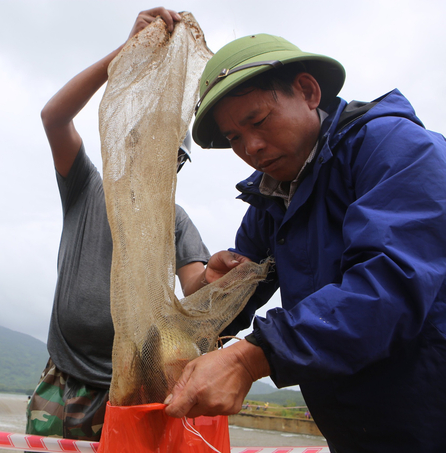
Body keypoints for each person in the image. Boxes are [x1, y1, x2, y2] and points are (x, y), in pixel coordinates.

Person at [164, 33, 446, 452]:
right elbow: (230, 304)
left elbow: (390, 285)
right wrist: (216, 290)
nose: (251, 148)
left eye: (258, 121)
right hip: (355, 431)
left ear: (309, 92)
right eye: (234, 138)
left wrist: (250, 357)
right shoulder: (270, 202)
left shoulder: (395, 150)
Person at [26, 7, 211, 442]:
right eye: (144, 141)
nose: (156, 156)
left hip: (128, 388)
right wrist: (125, 53)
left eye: (170, 152)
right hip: (62, 375)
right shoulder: (87, 188)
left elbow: (196, 290)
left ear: (179, 164)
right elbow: (53, 117)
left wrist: (220, 276)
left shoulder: (177, 221)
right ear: (123, 142)